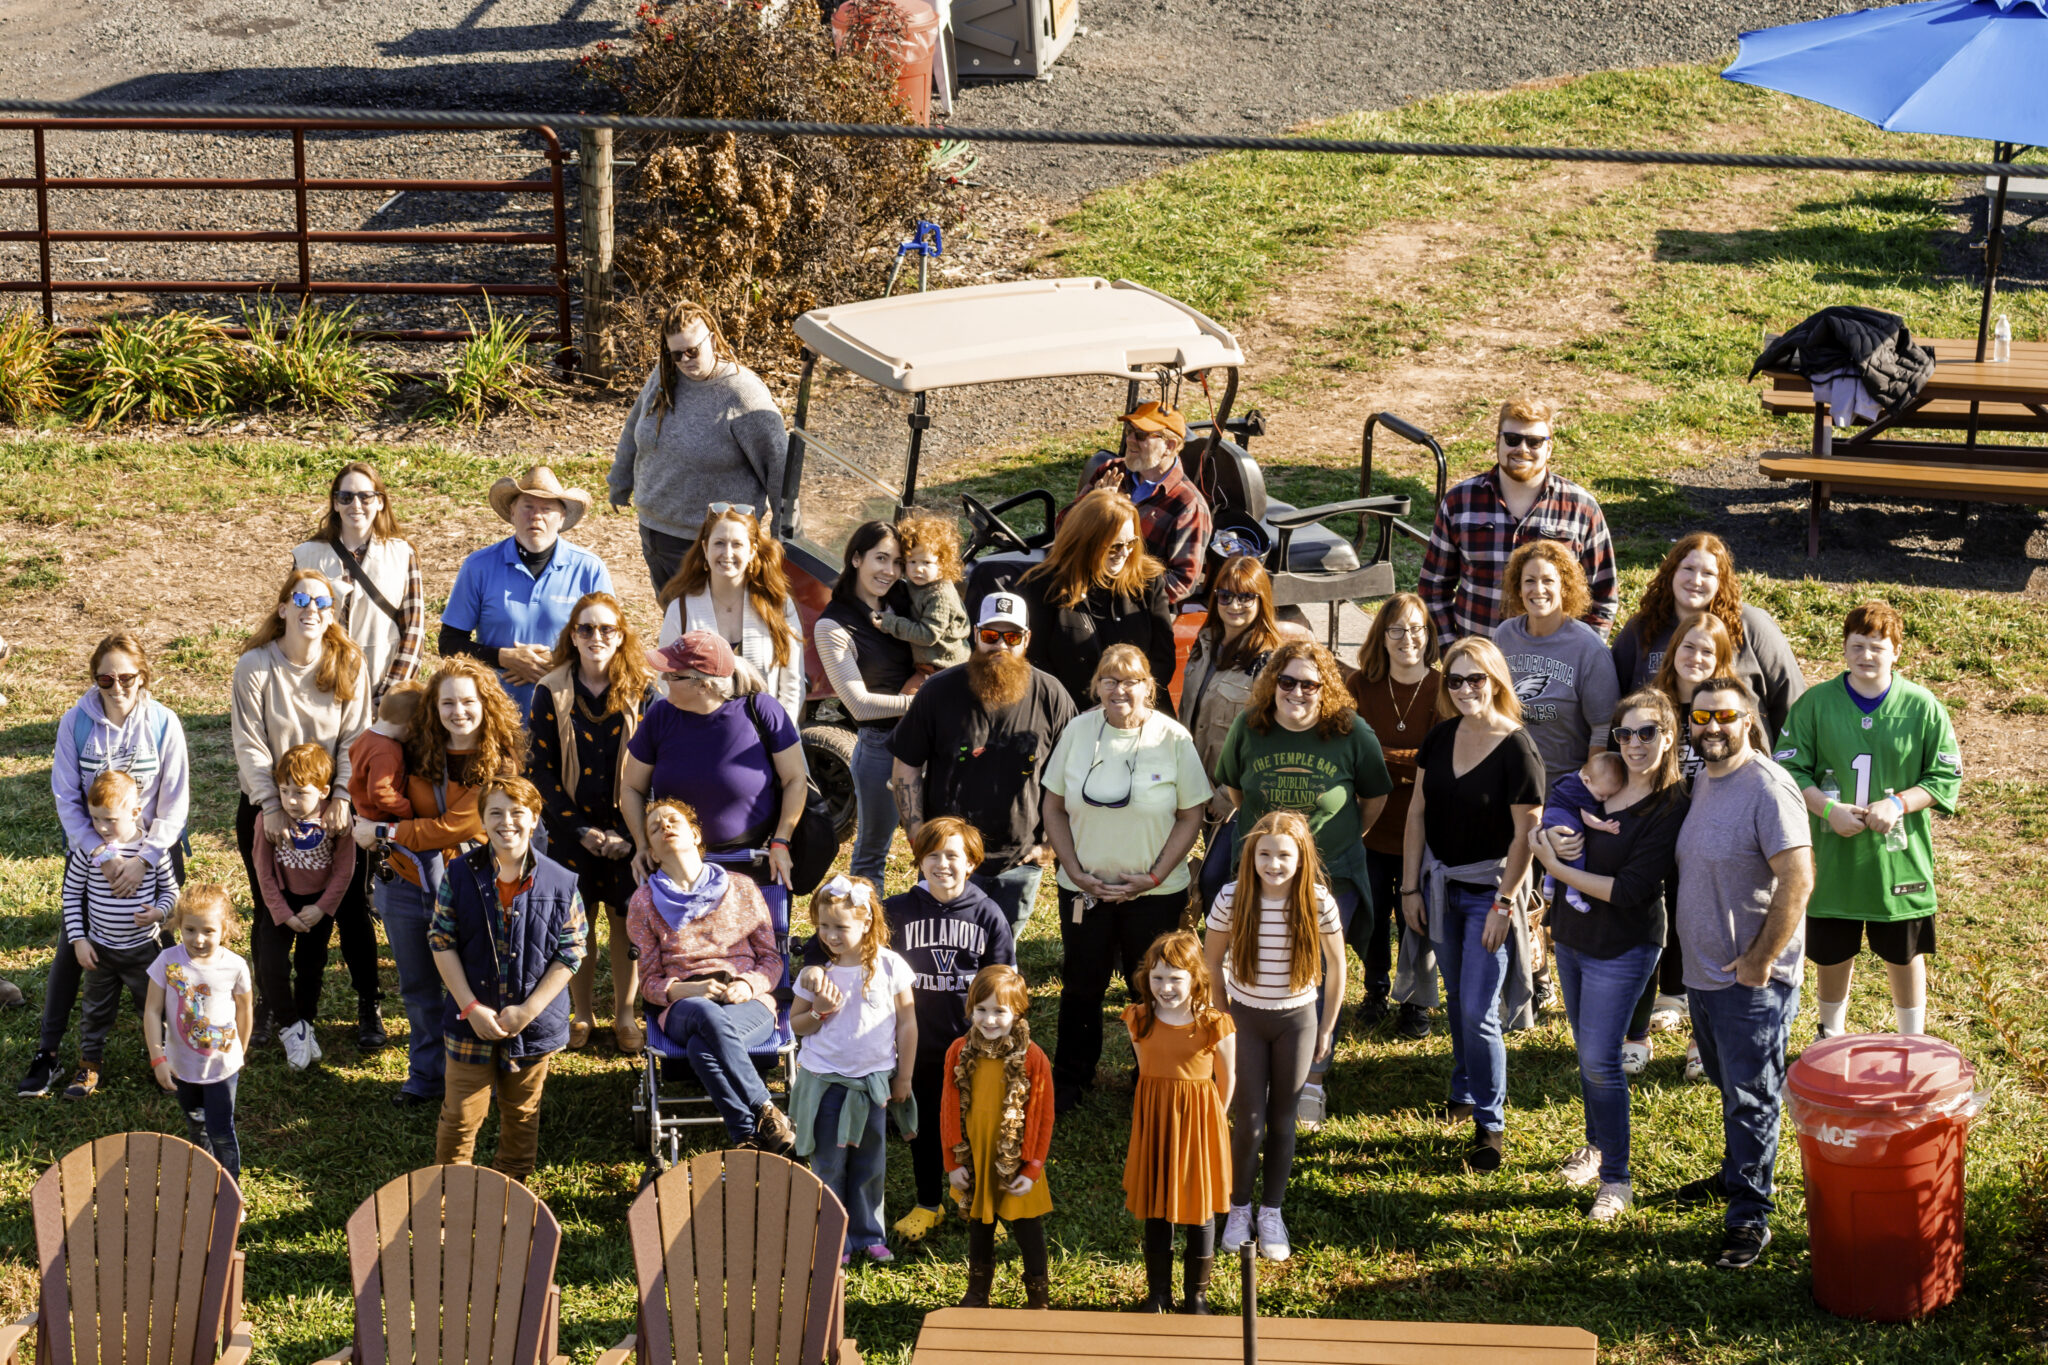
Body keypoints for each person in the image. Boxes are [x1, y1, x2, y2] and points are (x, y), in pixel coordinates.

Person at [1660, 675, 1814, 1272]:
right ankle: (1735, 1174)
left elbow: (1798, 879)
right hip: (1705, 975)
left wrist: (1760, 960)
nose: (1712, 728)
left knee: (1752, 1098)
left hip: (1750, 981)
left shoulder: (1768, 787)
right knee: (1732, 1087)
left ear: (1748, 719)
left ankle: (1750, 1217)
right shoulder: (1704, 781)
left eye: (1724, 716)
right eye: (1700, 718)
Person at [806, 817, 1015, 1246]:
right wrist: (811, 968)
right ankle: (928, 1202)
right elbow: (827, 943)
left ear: (972, 862)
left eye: (953, 855)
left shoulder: (988, 914)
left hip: (973, 1043)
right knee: (925, 1126)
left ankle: (978, 1197)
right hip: (916, 1042)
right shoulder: (898, 910)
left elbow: (1005, 982)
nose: (942, 864)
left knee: (978, 1123)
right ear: (918, 860)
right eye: (932, 855)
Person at [1211, 639, 1390, 1126]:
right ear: (1273, 683)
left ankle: (1312, 1078)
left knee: (1319, 971)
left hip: (1331, 873)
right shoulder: (1251, 728)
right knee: (1260, 961)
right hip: (1261, 873)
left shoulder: (1352, 732)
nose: (1297, 692)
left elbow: (1374, 798)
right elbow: (1236, 790)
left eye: (1309, 684)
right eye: (1286, 681)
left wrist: (1338, 841)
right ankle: (1257, 1063)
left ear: (1325, 687)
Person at [1530, 690, 1690, 1222]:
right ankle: (1596, 1147)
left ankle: (1617, 1179)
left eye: (1647, 732)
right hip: (1573, 936)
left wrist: (1555, 865)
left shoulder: (1671, 805)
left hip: (1625, 943)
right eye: (1625, 733)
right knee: (1588, 1053)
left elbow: (1629, 890)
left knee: (1601, 1060)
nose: (1635, 743)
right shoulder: (1601, 782)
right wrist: (1546, 837)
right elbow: (1551, 814)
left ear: (1668, 736)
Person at [1775, 602, 1959, 1040]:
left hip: (1898, 857)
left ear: (1897, 651)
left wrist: (1898, 804)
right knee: (1832, 950)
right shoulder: (1816, 703)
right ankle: (1830, 1032)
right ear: (1844, 648)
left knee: (1904, 951)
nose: (1866, 655)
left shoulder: (1922, 706)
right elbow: (1788, 769)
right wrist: (1827, 809)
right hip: (1832, 852)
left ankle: (1912, 1037)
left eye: (1878, 646)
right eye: (1857, 645)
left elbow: (1944, 774)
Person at [19, 632, 191, 1099]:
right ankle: (49, 1052)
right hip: (91, 851)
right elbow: (66, 798)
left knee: (164, 947)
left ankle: (179, 1049)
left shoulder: (164, 722)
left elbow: (174, 802)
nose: (117, 687)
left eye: (127, 678)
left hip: (153, 849)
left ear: (143, 676)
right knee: (71, 945)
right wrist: (101, 854)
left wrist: (145, 859)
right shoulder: (75, 722)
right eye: (105, 679)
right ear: (95, 679)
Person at [1041, 645, 1211, 1115]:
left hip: (1155, 893)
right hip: (1085, 890)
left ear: (1148, 687)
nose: (1120, 690)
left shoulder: (1173, 738)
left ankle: (1151, 1077)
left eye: (1131, 680)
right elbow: (1053, 806)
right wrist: (1075, 871)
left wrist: (1154, 876)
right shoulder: (1077, 731)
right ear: (1096, 686)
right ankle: (1072, 1078)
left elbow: (1191, 814)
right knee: (1082, 985)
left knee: (1153, 987)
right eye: (1110, 680)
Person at [354, 656, 528, 1108]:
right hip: (406, 882)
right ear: (433, 706)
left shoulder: (499, 761)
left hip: (474, 886)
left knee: (476, 985)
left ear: (485, 704)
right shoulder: (413, 747)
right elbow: (371, 778)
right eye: (447, 702)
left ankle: (481, 1076)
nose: (458, 712)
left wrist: (382, 831)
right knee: (418, 988)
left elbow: (452, 827)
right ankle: (427, 1075)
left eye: (468, 701)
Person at [1401, 637, 1543, 1171]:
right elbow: (1417, 813)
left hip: (1490, 893)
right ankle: (1462, 1090)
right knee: (1458, 998)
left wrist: (1504, 904)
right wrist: (1409, 888)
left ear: (1496, 680)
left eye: (1475, 679)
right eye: (1455, 680)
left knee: (1480, 1010)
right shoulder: (1440, 737)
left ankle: (1490, 1123)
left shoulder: (1518, 748)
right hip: (1440, 888)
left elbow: (1526, 836)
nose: (1465, 690)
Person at [230, 567, 373, 1052]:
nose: (312, 609)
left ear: (332, 615)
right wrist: (271, 806)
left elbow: (356, 737)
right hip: (270, 804)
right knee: (270, 907)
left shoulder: (348, 662)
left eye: (322, 602)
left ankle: (368, 1003)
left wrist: (343, 796)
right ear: (283, 608)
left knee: (350, 908)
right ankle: (273, 1004)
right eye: (301, 600)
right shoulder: (255, 666)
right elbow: (250, 744)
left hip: (332, 805)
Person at [430, 777, 588, 1185]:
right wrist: (470, 1007)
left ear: (534, 819)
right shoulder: (458, 874)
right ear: (482, 820)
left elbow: (571, 952)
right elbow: (441, 941)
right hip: (470, 1020)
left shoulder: (561, 881)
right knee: (460, 1116)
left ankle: (511, 1188)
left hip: (532, 1025)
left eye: (518, 813)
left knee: (521, 1113)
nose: (507, 822)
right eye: (495, 813)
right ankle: (453, 1192)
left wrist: (528, 1011)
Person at [1204, 810, 1344, 1265]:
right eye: (1265, 854)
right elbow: (1211, 962)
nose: (1274, 864)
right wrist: (1222, 1017)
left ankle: (1271, 1212)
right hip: (1245, 1019)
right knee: (1248, 1120)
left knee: (1283, 1120)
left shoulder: (1317, 901)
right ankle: (1239, 1208)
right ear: (1251, 855)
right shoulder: (1231, 897)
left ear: (1302, 858)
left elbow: (1338, 967)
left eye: (1284, 855)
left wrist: (1326, 1027)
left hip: (1297, 1021)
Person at [890, 592, 1078, 929]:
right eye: (991, 636)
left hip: (1019, 862)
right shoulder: (938, 691)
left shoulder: (1051, 696)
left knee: (1002, 953)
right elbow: (906, 763)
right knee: (944, 947)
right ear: (976, 635)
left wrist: (1050, 846)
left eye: (1012, 637)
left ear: (1026, 640)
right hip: (948, 859)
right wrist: (917, 834)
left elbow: (1073, 774)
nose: (1000, 646)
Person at [625, 797, 798, 1156]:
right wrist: (689, 990)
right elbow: (649, 981)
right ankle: (767, 1108)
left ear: (695, 835)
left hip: (747, 999)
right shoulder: (644, 902)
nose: (664, 826)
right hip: (685, 1005)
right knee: (704, 1012)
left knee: (702, 1048)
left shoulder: (742, 887)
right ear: (652, 853)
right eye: (654, 827)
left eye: (673, 821)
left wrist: (747, 985)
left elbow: (771, 959)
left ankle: (745, 1135)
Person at [531, 591, 660, 1053]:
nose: (596, 637)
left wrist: (631, 836)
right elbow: (540, 770)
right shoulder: (550, 689)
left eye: (607, 628)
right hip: (571, 832)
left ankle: (625, 1014)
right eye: (585, 628)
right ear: (573, 636)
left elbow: (658, 764)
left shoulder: (644, 689)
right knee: (577, 924)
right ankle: (581, 1013)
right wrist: (578, 830)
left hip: (630, 831)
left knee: (628, 922)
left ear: (621, 635)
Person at [610, 302, 788, 593]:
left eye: (692, 351)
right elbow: (635, 428)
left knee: (711, 620)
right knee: (673, 615)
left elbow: (778, 466)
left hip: (712, 543)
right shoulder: (664, 376)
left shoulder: (741, 394)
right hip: (654, 531)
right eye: (676, 354)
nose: (685, 360)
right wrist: (620, 481)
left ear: (713, 340)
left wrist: (784, 535)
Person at [790, 874, 918, 1264]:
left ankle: (868, 1234)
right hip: (826, 1083)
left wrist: (904, 1076)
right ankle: (835, 1239)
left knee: (870, 1164)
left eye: (840, 927)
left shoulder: (890, 966)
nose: (830, 935)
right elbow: (797, 1026)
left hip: (873, 1085)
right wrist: (818, 1012)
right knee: (829, 1165)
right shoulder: (816, 974)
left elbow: (907, 1023)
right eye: (823, 926)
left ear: (866, 922)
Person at [1417, 397, 1617, 646]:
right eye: (1512, 439)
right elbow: (1432, 589)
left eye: (1534, 442)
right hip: (1478, 660)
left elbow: (1603, 597)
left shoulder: (1581, 508)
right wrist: (1451, 652)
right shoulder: (1460, 502)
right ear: (1497, 442)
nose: (1522, 449)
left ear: (1549, 448)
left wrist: (1581, 656)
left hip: (1553, 662)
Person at [621, 632, 807, 892]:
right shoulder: (659, 716)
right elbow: (631, 787)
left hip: (754, 864)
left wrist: (781, 841)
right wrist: (643, 844)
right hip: (679, 868)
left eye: (673, 675)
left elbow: (795, 779)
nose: (663, 679)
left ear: (703, 686)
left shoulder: (761, 710)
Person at [440, 465, 613, 715]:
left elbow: (611, 641)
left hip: (569, 712)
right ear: (512, 512)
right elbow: (449, 644)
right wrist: (503, 658)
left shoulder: (589, 569)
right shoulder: (478, 566)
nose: (536, 516)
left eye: (547, 509)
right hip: (494, 712)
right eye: (528, 507)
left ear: (562, 518)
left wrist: (561, 662)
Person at [1122, 929, 1234, 1315]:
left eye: (1175, 978)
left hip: (1200, 1123)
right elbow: (1146, 1070)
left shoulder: (1214, 1023)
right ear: (1146, 977)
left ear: (1195, 978)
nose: (1165, 987)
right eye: (1157, 978)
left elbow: (1227, 1078)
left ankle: (1196, 1297)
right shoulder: (1139, 1019)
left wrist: (1212, 1120)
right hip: (1156, 1122)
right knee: (1157, 1205)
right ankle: (1158, 1294)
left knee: (1200, 1208)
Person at [1349, 594, 1442, 1040]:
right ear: (1382, 637)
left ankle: (1415, 1001)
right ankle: (1375, 990)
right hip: (1369, 827)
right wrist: (1412, 761)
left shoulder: (1444, 687)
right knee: (1371, 915)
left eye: (1417, 628)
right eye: (1397, 630)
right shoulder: (1359, 686)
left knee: (1415, 919)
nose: (1409, 638)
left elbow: (1440, 760)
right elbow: (1351, 751)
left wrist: (1381, 757)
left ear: (1429, 634)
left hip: (1423, 829)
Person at [1609, 532, 1805, 739]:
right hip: (1663, 755)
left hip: (1740, 754)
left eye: (1708, 573)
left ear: (1721, 581)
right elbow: (1611, 702)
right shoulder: (1642, 628)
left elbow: (1792, 700)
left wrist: (1790, 755)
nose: (1696, 580)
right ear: (1671, 572)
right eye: (1688, 569)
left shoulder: (1750, 625)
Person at [60, 770, 181, 1100]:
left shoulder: (152, 850)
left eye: (110, 820)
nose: (101, 828)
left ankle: (165, 1062)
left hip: (145, 950)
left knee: (156, 1008)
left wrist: (159, 912)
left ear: (135, 812)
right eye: (95, 818)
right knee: (95, 1011)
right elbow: (71, 894)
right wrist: (79, 939)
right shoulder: (90, 851)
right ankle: (89, 1065)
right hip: (101, 950)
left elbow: (171, 891)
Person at [944, 964, 1055, 1311]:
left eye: (999, 1011)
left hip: (1018, 1160)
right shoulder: (959, 1051)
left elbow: (1043, 1117)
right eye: (981, 1010)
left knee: (1027, 1228)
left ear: (1017, 1012)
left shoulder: (1033, 1057)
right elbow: (948, 1109)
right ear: (970, 1008)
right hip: (975, 1156)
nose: (989, 1020)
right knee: (980, 1226)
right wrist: (952, 1163)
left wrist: (1032, 1169)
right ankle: (977, 1293)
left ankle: (1038, 1296)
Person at [813, 521, 918, 881]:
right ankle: (867, 916)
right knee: (873, 851)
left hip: (928, 739)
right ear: (856, 558)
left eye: (898, 562)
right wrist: (922, 704)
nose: (890, 571)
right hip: (882, 747)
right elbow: (859, 704)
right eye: (881, 558)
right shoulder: (832, 626)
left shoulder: (906, 600)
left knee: (937, 841)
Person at [1016, 489, 1177, 709]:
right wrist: (1078, 713)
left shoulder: (1147, 581)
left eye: (1131, 543)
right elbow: (1036, 662)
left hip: (1140, 710)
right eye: (1114, 546)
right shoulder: (1043, 586)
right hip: (1070, 712)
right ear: (1085, 543)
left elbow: (1163, 659)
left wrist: (1129, 704)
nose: (1124, 553)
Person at [252, 744, 359, 1070]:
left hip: (317, 907)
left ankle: (306, 1023)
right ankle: (290, 1026)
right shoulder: (267, 820)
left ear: (324, 791)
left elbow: (344, 871)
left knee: (311, 967)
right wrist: (282, 912)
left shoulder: (336, 821)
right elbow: (263, 872)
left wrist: (323, 908)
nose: (291, 801)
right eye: (284, 791)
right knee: (271, 965)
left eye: (300, 793)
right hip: (281, 903)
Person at [292, 461, 425, 706]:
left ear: (380, 502)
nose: (356, 505)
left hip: (381, 683)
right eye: (346, 497)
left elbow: (414, 630)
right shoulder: (306, 555)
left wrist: (389, 697)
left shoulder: (403, 554)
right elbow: (291, 625)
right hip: (317, 688)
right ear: (335, 503)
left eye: (365, 497)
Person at [144, 885, 252, 1182]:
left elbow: (245, 1009)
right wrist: (158, 1059)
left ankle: (229, 1189)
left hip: (221, 1069)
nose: (199, 939)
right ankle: (205, 1180)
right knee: (195, 1125)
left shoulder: (235, 966)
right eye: (190, 930)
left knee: (221, 1131)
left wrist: (240, 1051)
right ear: (178, 924)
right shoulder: (167, 962)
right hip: (181, 1066)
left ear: (224, 929)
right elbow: (152, 1011)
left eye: (208, 931)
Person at [656, 504, 806, 717]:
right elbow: (665, 680)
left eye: (737, 544)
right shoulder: (681, 609)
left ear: (752, 551)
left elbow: (793, 686)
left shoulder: (778, 605)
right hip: (700, 731)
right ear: (705, 548)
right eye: (719, 543)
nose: (727, 553)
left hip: (766, 733)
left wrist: (777, 733)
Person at [1492, 539, 1619, 785]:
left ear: (1565, 587)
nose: (1538, 589)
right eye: (1529, 581)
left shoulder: (1589, 649)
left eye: (1548, 580)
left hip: (1563, 784)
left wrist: (1584, 789)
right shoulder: (1504, 635)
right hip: (1508, 777)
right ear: (1518, 588)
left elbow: (1603, 728)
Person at [1066, 401, 1213, 604]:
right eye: (1129, 431)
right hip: (1078, 582)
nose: (1130, 440)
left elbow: (1181, 583)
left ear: (1169, 446)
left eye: (1141, 435)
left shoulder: (1188, 505)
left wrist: (1114, 589)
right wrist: (1093, 507)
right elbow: (1063, 528)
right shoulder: (1111, 471)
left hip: (1129, 604)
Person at [1179, 555, 1286, 830]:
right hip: (1197, 785)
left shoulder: (1269, 663)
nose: (1234, 605)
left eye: (1245, 597)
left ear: (1261, 600)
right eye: (1225, 596)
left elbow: (1267, 743)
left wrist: (1227, 796)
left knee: (1225, 861)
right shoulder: (1205, 643)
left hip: (1235, 801)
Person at [877, 509, 971, 674]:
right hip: (925, 662)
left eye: (926, 562)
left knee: (908, 692)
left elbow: (926, 635)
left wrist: (890, 623)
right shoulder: (917, 583)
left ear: (942, 563)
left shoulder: (940, 596)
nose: (918, 569)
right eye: (912, 561)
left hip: (942, 667)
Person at [1538, 751, 1628, 916]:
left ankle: (1549, 886)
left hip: (1550, 816)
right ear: (1587, 781)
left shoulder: (1572, 778)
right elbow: (1587, 818)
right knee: (1577, 852)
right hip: (1563, 818)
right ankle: (1573, 893)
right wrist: (1603, 826)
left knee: (1556, 853)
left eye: (1609, 796)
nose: (1604, 799)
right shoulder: (1582, 791)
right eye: (1602, 795)